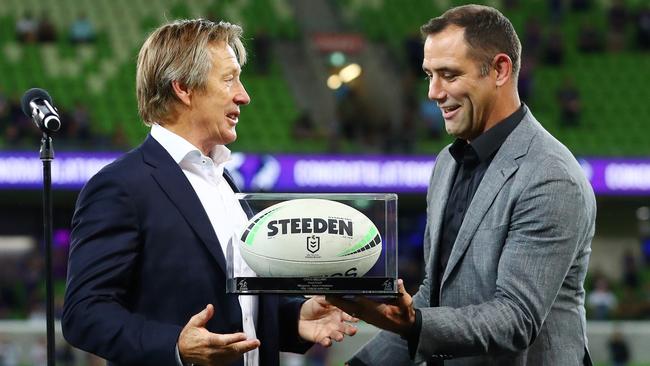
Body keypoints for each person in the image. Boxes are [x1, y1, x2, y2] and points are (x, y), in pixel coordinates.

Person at [62, 19, 357, 366]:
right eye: (229, 78)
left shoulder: (225, 181)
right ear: (184, 88)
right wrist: (175, 345)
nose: (243, 95)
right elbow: (84, 313)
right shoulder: (120, 187)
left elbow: (239, 307)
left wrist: (295, 318)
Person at [328, 5, 596, 365]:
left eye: (449, 75)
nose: (434, 92)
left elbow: (516, 318)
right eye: (429, 75)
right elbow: (431, 301)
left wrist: (415, 323)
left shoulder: (550, 176)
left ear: (500, 70)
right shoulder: (446, 164)